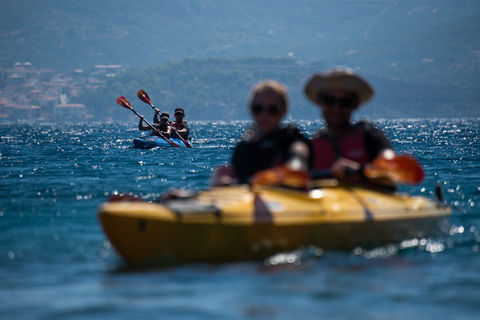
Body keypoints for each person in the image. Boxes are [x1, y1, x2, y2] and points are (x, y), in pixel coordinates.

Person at [212, 79, 311, 188]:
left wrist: (284, 173)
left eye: (272, 109)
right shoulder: (244, 146)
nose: (264, 115)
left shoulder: (293, 141)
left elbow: (298, 161)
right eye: (258, 109)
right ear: (251, 109)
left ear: (284, 110)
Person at [304, 68, 394, 181]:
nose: (336, 108)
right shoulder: (310, 147)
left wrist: (360, 170)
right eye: (329, 101)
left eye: (345, 102)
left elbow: (391, 165)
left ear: (355, 104)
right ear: (319, 101)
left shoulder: (371, 137)